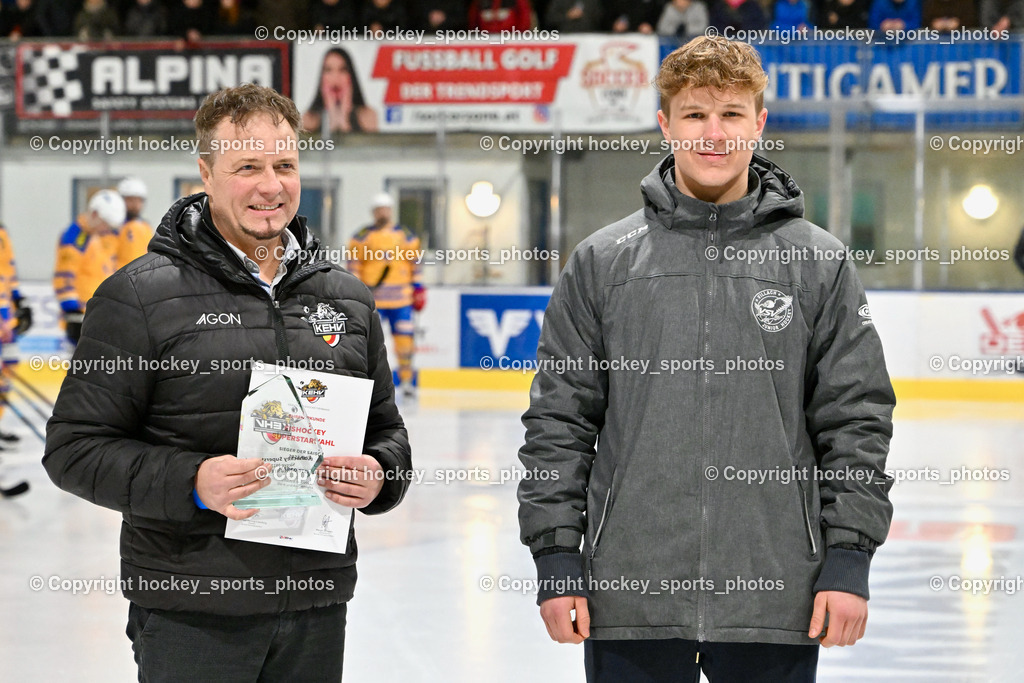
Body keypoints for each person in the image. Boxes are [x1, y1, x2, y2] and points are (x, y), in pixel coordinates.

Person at [518, 36, 895, 682]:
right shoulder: (603, 262)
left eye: (731, 114)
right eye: (694, 115)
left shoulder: (817, 263)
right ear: (665, 124)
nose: (713, 134)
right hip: (631, 597)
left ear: (760, 122)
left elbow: (855, 420)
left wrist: (849, 557)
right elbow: (559, 423)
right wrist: (556, 556)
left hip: (776, 596)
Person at [43, 83, 412, 681]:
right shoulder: (138, 296)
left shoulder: (346, 298)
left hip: (316, 608)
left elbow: (387, 434)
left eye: (284, 165)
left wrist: (379, 476)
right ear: (206, 172)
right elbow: (74, 451)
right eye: (247, 166)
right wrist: (192, 481)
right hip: (192, 612)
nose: (271, 185)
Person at [347, 193, 425, 398]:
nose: (382, 213)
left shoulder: (406, 236)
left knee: (405, 342)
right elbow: (354, 266)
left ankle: (407, 382)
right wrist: (357, 292)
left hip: (402, 301)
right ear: (373, 212)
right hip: (374, 301)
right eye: (379, 209)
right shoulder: (362, 237)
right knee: (370, 343)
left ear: (391, 210)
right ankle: (369, 382)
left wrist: (418, 288)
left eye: (386, 209)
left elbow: (415, 263)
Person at [52, 189, 124, 344]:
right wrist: (73, 314)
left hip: (99, 316)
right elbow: (64, 278)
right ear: (94, 214)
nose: (107, 229)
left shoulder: (97, 237)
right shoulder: (75, 237)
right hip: (82, 319)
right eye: (105, 224)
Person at [302, 48, 379, 136]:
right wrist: (332, 113)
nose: (335, 77)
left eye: (342, 70)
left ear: (351, 75)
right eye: (328, 70)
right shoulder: (309, 118)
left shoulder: (367, 115)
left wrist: (344, 119)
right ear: (322, 77)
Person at [115, 177, 155, 269]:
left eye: (138, 200)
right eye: (130, 200)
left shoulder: (146, 227)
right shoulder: (114, 227)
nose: (135, 204)